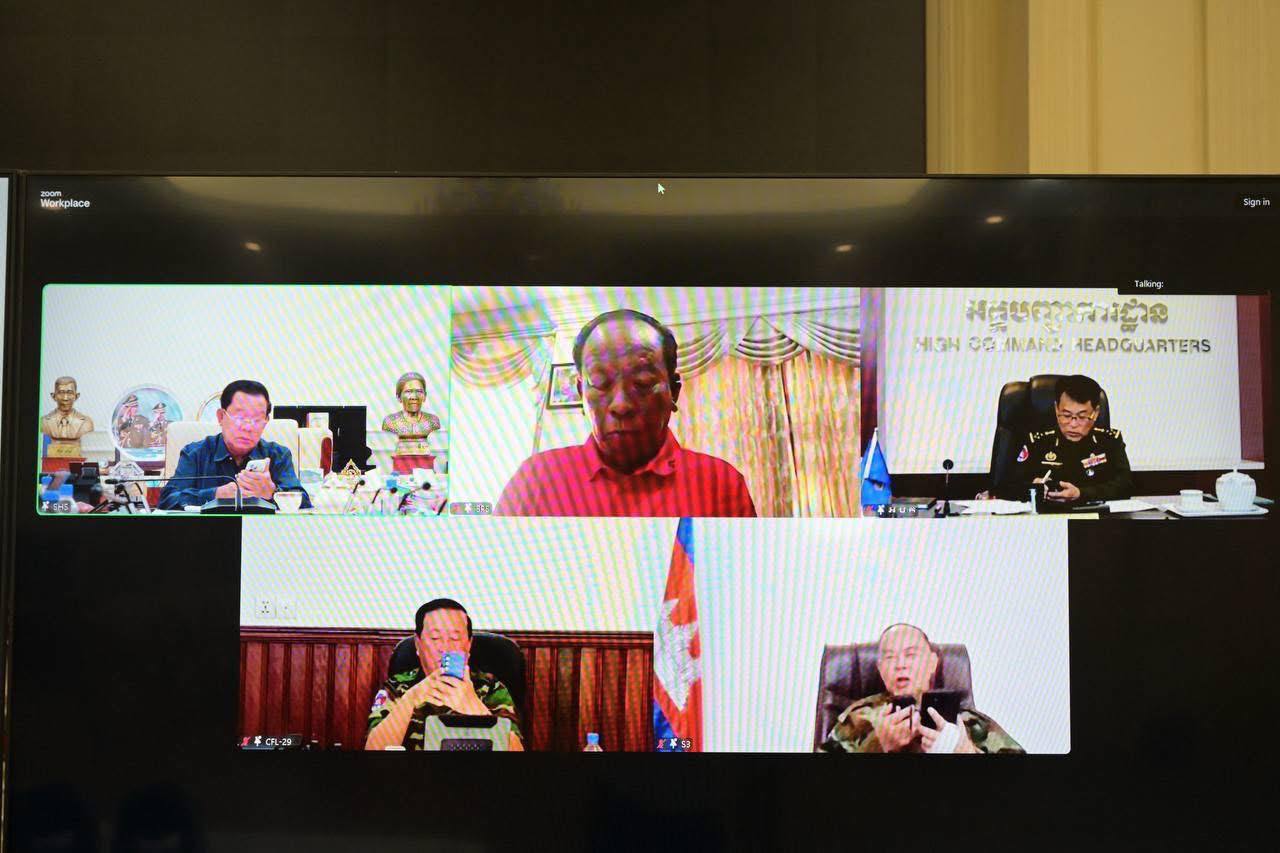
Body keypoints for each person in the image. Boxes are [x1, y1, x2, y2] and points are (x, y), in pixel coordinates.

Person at [495, 309, 757, 517]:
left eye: (643, 382)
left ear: (674, 391)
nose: (621, 405)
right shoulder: (536, 480)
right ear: (580, 393)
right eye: (600, 382)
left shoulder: (719, 484)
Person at [819, 623, 1023, 754]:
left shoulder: (967, 721)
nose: (900, 665)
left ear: (932, 663)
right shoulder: (859, 717)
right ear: (881, 669)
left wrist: (965, 751)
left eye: (910, 655)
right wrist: (877, 745)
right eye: (890, 657)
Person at [365, 598, 523, 751]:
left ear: (469, 645)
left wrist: (475, 709)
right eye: (435, 638)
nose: (445, 647)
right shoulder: (397, 686)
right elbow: (373, 750)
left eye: (455, 638)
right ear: (418, 644)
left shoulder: (490, 688)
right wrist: (410, 699)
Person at [157, 379, 309, 510]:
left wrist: (271, 492)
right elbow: (167, 500)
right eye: (240, 417)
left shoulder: (278, 455)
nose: (248, 427)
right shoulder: (195, 453)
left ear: (266, 422)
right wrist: (216, 494)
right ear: (221, 417)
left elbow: (305, 502)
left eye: (257, 419)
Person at [989, 374, 1133, 503]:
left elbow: (1126, 486)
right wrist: (1032, 488)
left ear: (1095, 413)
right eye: (1066, 415)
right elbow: (1007, 486)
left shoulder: (1109, 441)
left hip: (1094, 519)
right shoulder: (1038, 441)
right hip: (1045, 518)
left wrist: (1081, 494)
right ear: (1056, 408)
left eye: (1082, 416)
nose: (1073, 424)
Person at [40, 376, 94, 457]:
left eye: (69, 393)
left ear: (76, 396)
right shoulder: (44, 422)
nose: (65, 398)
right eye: (61, 392)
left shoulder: (86, 423)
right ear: (53, 396)